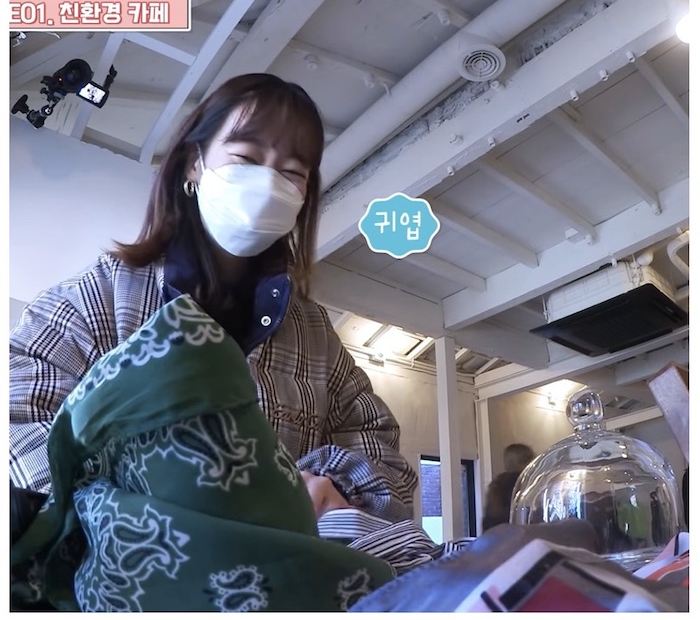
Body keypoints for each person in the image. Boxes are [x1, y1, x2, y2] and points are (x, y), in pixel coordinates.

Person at [9, 72, 417, 523]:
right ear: (194, 165)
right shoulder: (100, 297)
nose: (267, 184)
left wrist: (334, 486)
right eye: (245, 158)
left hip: (277, 565)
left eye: (291, 173)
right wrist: (126, 514)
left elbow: (382, 450)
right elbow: (16, 418)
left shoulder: (316, 335)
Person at [482, 443, 535, 531]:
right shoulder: (525, 483)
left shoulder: (497, 483)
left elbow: (489, 519)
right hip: (521, 535)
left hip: (497, 535)